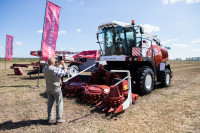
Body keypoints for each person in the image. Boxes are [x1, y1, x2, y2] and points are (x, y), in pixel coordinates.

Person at [43, 57, 67, 124]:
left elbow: (53, 70)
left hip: (48, 89)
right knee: (59, 103)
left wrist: (58, 65)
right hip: (56, 89)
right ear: (53, 62)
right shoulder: (55, 70)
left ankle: (50, 118)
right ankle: (59, 119)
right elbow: (65, 72)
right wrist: (63, 64)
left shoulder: (45, 69)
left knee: (50, 104)